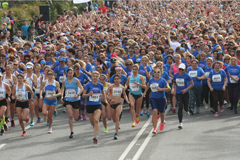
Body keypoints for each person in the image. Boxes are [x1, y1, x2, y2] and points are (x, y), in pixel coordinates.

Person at [143, 67, 171, 134]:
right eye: (155, 72)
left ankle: (162, 122)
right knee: (154, 111)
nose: (156, 73)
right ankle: (155, 128)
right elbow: (147, 85)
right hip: (153, 98)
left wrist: (161, 89)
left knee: (161, 112)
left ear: (160, 73)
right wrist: (145, 92)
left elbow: (169, 88)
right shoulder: (151, 80)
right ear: (153, 73)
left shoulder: (163, 80)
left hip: (161, 98)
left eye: (158, 72)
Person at [83, 71, 107, 144]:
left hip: (97, 104)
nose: (95, 77)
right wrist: (88, 94)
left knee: (96, 120)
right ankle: (95, 127)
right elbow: (83, 95)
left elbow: (103, 93)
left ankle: (95, 136)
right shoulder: (88, 85)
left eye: (96, 76)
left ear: (98, 77)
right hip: (89, 105)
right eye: (94, 76)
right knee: (92, 122)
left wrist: (105, 100)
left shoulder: (100, 85)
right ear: (91, 77)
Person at [61, 68, 83, 138]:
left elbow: (82, 88)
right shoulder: (65, 81)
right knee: (70, 115)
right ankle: (71, 131)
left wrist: (78, 94)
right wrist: (62, 96)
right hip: (68, 99)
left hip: (75, 99)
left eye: (71, 73)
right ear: (67, 74)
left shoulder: (76, 80)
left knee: (76, 118)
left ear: (73, 73)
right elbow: (62, 89)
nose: (70, 74)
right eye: (69, 73)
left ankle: (78, 115)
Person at [106, 74, 129, 139]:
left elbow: (124, 95)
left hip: (119, 104)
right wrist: (110, 99)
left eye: (117, 79)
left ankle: (116, 133)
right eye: (115, 79)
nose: (116, 80)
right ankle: (116, 125)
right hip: (112, 104)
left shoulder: (122, 87)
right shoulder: (111, 87)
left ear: (120, 80)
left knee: (117, 118)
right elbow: (106, 94)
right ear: (113, 80)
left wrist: (127, 100)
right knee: (114, 120)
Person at [171, 64, 194, 129]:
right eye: (179, 69)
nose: (181, 71)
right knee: (180, 107)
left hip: (186, 93)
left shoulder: (187, 76)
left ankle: (186, 110)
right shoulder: (175, 75)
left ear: (184, 70)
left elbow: (192, 84)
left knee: (186, 107)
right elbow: (174, 83)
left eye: (182, 69)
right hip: (178, 93)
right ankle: (180, 123)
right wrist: (173, 90)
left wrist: (186, 89)